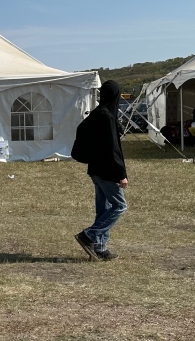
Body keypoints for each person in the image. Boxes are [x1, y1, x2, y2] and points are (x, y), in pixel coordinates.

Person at [74, 80, 129, 262]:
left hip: (96, 170)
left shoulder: (97, 114)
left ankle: (100, 248)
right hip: (107, 171)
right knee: (120, 206)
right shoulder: (106, 117)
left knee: (103, 209)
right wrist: (121, 174)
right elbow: (113, 149)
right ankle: (89, 235)